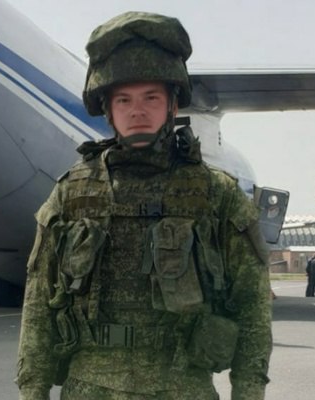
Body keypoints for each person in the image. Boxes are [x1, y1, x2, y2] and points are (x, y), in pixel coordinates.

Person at [17, 11, 272, 400]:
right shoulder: (71, 193)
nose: (137, 110)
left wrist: (248, 392)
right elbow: (38, 303)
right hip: (89, 388)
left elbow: (252, 307)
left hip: (183, 388)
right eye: (124, 99)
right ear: (108, 109)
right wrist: (32, 392)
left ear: (172, 105)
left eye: (151, 97)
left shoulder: (215, 193)